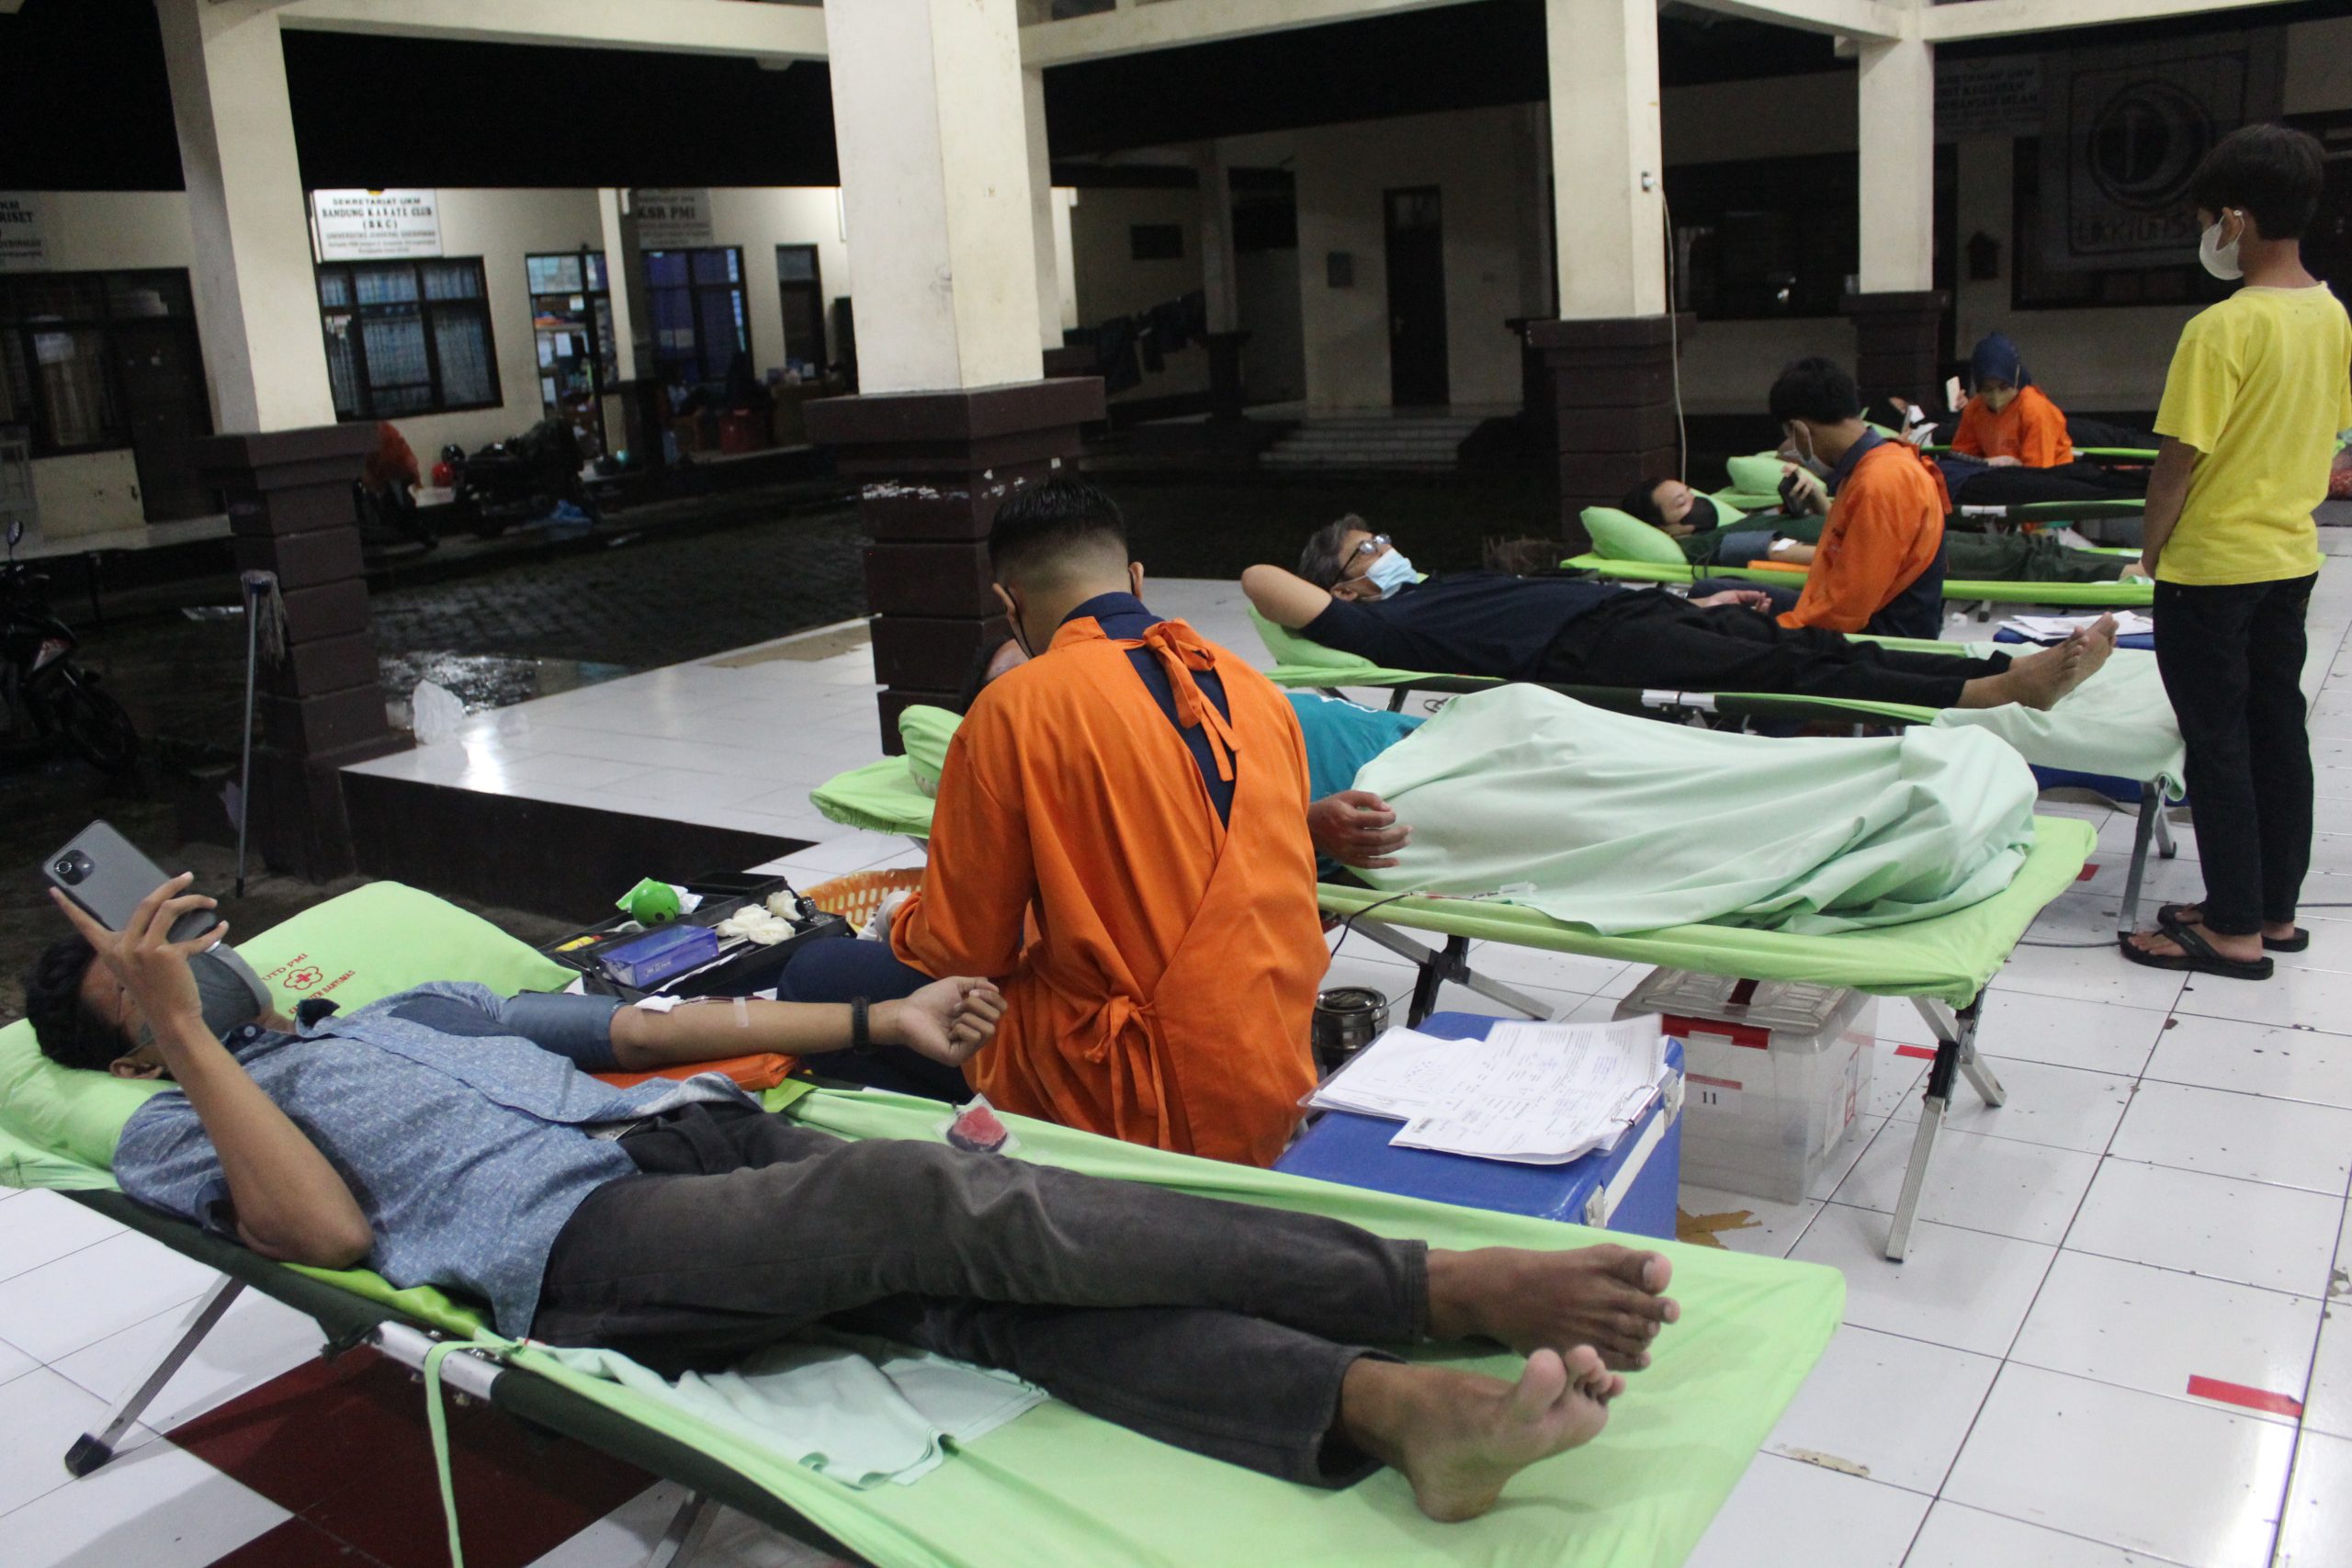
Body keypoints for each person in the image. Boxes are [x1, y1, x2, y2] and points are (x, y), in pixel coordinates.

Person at [30, 874, 1682, 1522]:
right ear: (123, 1039)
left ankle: (1389, 1408)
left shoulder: (409, 1006)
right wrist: (190, 1043)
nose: (190, 957)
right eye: (141, 971)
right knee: (932, 1202)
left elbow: (635, 1029)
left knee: (977, 1282)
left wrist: (873, 1024)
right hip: (580, 1243)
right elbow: (323, 1236)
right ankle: (1432, 1287)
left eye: (183, 938)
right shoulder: (175, 1127)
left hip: (688, 1140)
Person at [788, 478, 1330, 1168]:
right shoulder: (1257, 692)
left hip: (1138, 1095)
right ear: (1136, 579)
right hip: (1274, 1067)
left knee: (816, 974)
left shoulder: (1016, 709)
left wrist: (901, 918)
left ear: (1009, 602)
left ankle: (974, 1176)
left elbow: (963, 952)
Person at [2123, 124, 2352, 981]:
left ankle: (2230, 929)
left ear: (2236, 219)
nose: (2209, 235)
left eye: (2208, 219)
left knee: (2216, 743)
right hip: (2289, 559)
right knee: (2276, 731)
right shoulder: (2330, 314)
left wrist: (2151, 553)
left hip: (2212, 568)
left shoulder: (2221, 328)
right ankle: (2270, 911)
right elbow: (2333, 433)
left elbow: (2176, 462)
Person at [1242, 519, 2114, 713]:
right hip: (1591, 650)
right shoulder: (1382, 627)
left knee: (1817, 642)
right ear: (1342, 589)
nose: (1388, 548)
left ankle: (2003, 672)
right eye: (1367, 550)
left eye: (1383, 537)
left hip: (1632, 612)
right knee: (1790, 672)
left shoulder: (1439, 586)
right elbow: (1258, 577)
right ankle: (1995, 692)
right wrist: (1339, 592)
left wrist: (1694, 598)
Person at [1620, 475, 2144, 585]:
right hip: (1888, 553)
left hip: (1887, 534)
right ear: (1670, 527)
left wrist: (1818, 502)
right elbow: (1784, 552)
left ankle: (2132, 565)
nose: (1696, 500)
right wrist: (1873, 560)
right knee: (2019, 557)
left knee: (2018, 545)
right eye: (1683, 502)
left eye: (1690, 489)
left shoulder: (1734, 517)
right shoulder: (1709, 543)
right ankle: (2129, 574)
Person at [1766, 356, 1950, 637]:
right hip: (1852, 616)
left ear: (1801, 429)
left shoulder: (1880, 482)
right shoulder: (1874, 467)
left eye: (1791, 438)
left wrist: (1777, 632)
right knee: (1722, 594)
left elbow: (1847, 609)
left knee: (1725, 616)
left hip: (1880, 641)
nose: (1793, 450)